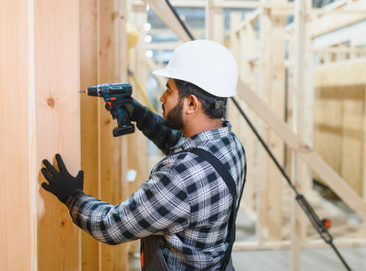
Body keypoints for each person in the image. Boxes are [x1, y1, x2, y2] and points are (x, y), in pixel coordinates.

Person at [41, 39, 247, 270]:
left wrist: (72, 197)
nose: (162, 97)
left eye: (169, 90)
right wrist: (139, 114)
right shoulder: (230, 144)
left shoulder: (179, 176)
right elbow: (184, 146)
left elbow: (113, 227)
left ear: (191, 104)